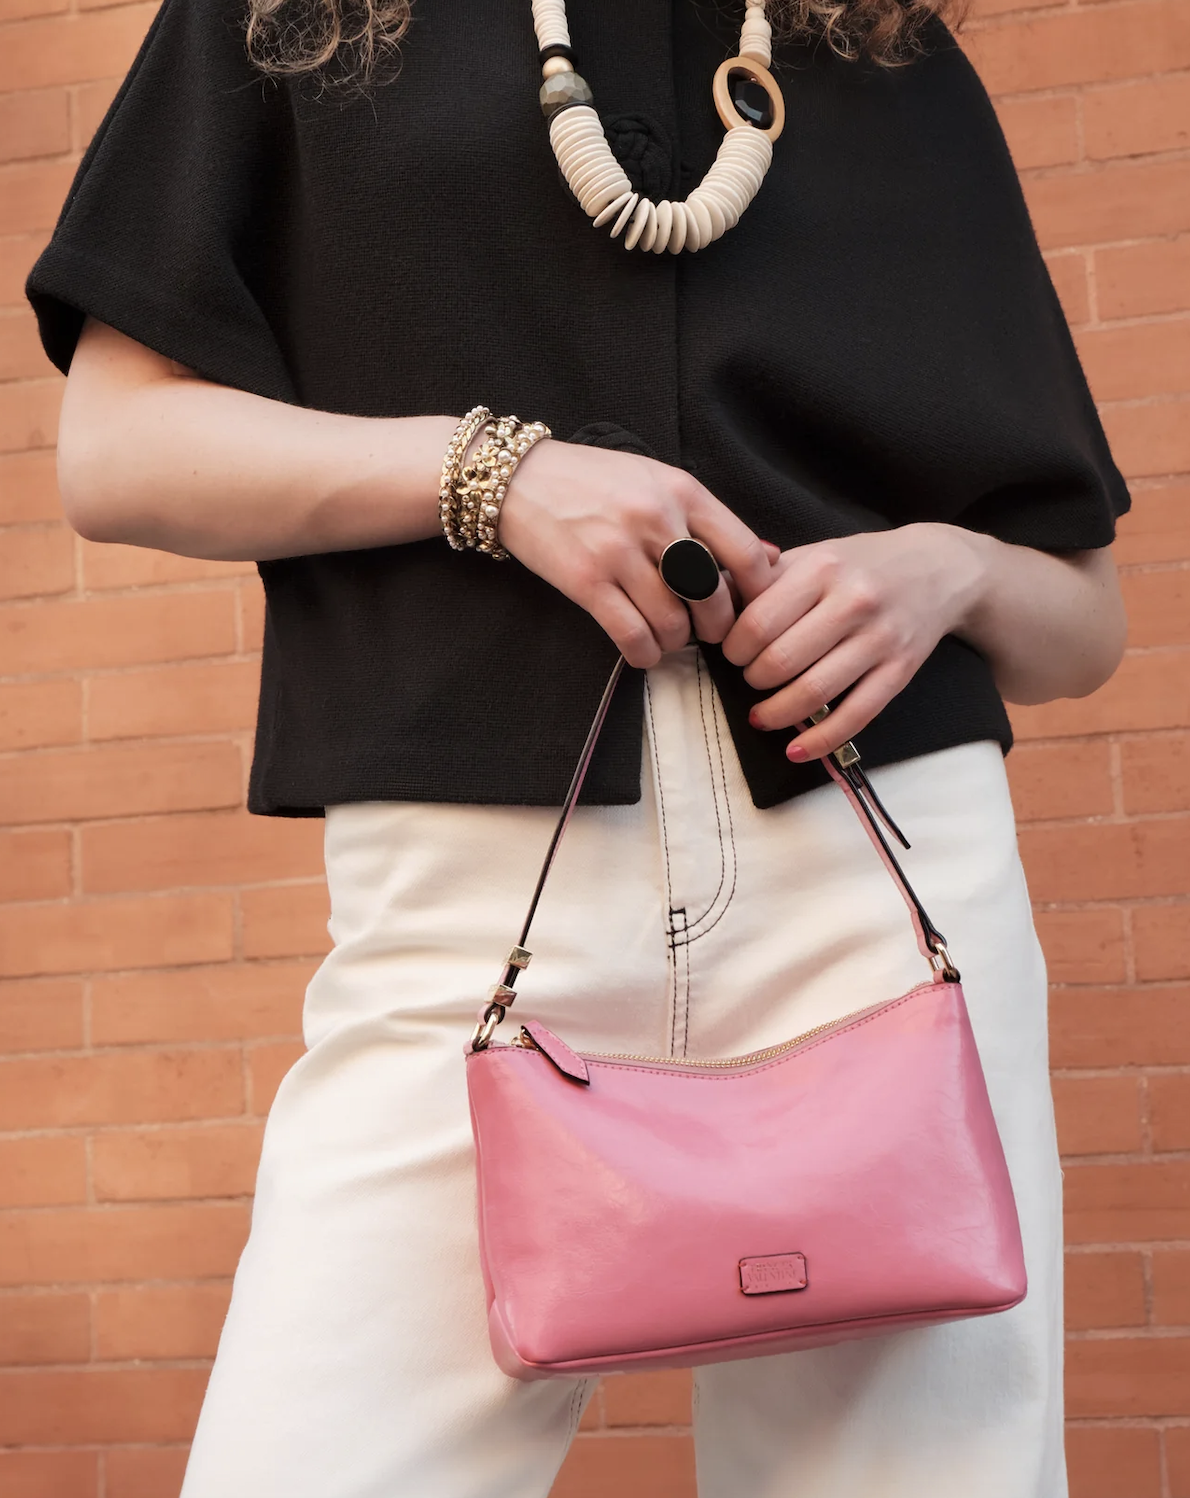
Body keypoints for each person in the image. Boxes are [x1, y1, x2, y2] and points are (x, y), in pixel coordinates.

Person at [27, 0, 1128, 1491]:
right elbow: (115, 448)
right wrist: (491, 475)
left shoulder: (882, 47)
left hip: (891, 898)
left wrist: (949, 568)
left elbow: (1080, 624)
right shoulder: (300, 23)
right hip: (476, 917)